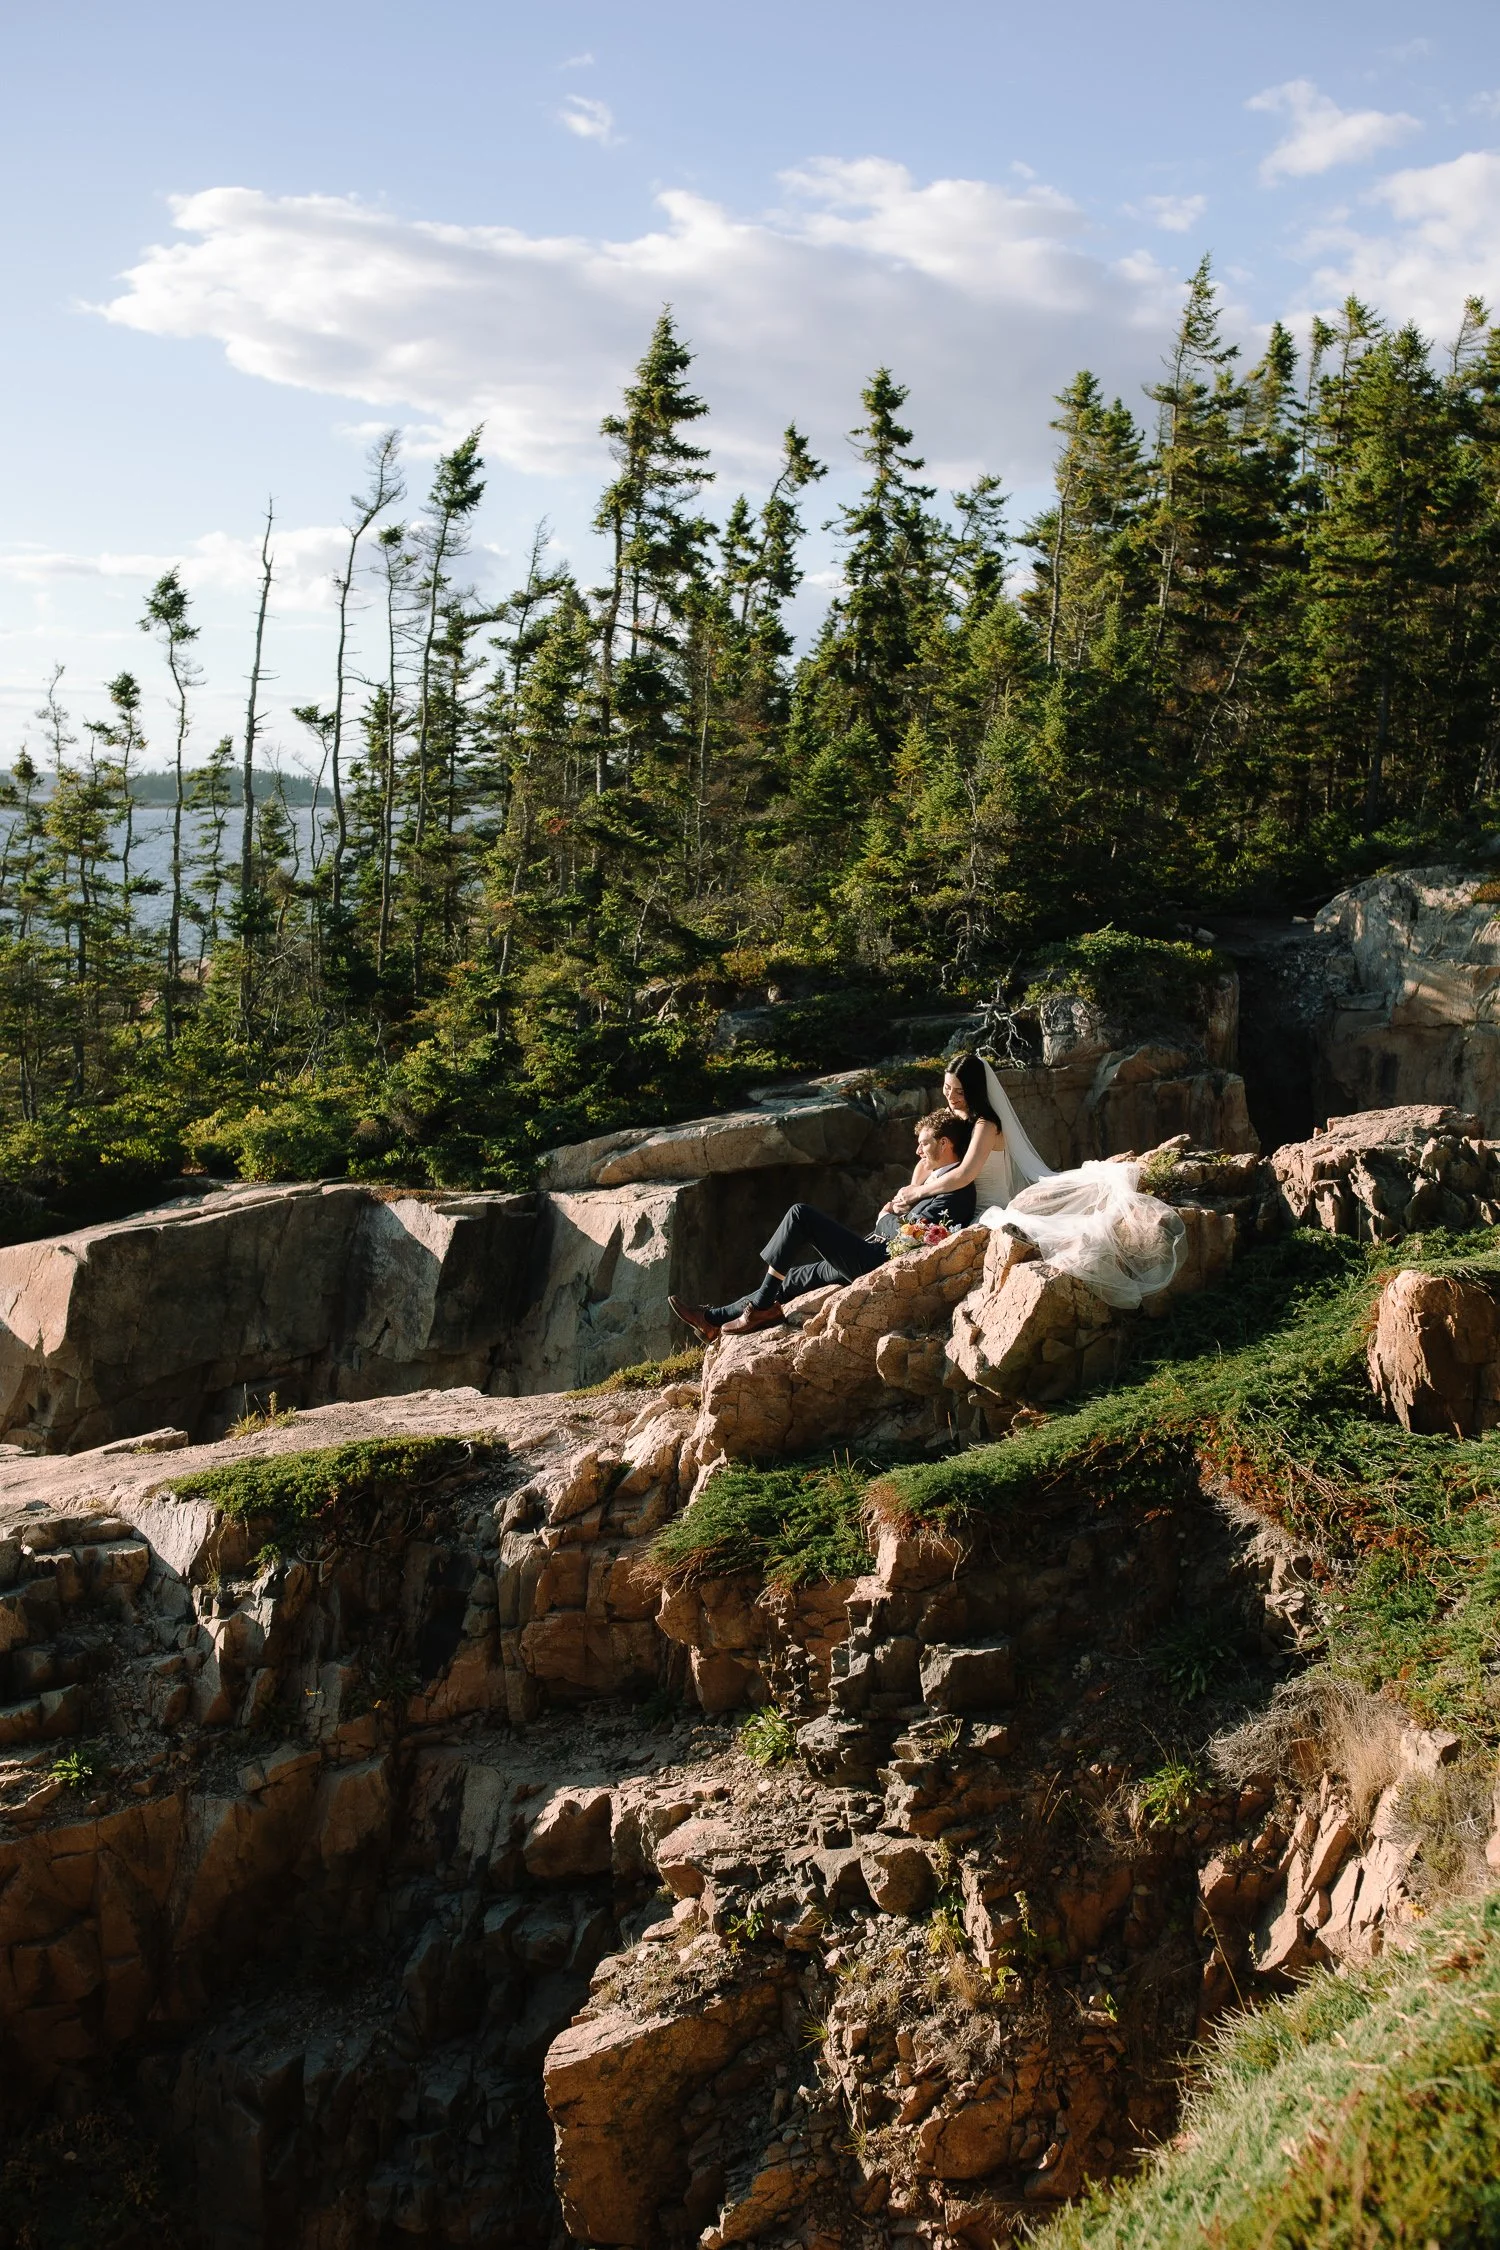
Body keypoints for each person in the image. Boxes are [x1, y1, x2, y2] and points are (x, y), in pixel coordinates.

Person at [670, 1109, 978, 1341]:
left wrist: (886, 1218)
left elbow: (911, 1241)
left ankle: (763, 1308)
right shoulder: (939, 1183)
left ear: (945, 1143)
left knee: (800, 1215)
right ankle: (713, 1320)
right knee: (793, 1277)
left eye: (924, 1144)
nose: (918, 1151)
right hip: (873, 1252)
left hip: (879, 1263)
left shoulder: (957, 1193)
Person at [938, 1048, 1186, 1310]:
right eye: (946, 1088)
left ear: (974, 1091)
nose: (951, 1097)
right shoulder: (957, 1119)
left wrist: (918, 1193)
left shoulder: (986, 1124)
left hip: (986, 1207)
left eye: (959, 1091)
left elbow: (965, 1174)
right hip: (960, 1201)